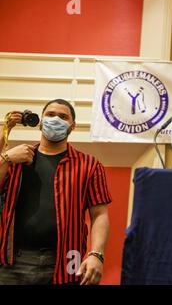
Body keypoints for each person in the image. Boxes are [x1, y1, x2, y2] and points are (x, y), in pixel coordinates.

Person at [0, 99, 112, 285]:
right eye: (50, 115)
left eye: (63, 117)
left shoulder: (90, 165)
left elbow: (100, 214)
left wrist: (96, 255)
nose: (56, 120)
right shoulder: (18, 159)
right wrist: (5, 158)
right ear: (41, 121)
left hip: (70, 257)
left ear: (72, 126)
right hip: (13, 260)